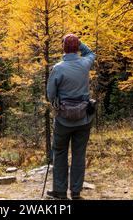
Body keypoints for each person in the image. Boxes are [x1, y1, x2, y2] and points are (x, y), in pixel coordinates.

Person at [46, 34, 96, 200]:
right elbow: (91, 53)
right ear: (77, 47)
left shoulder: (58, 68)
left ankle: (60, 192)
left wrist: (58, 104)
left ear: (63, 48)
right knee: (79, 154)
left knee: (59, 152)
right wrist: (80, 44)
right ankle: (76, 192)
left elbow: (50, 94)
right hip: (84, 118)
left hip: (63, 119)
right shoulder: (85, 64)